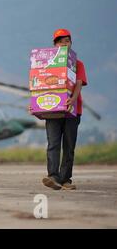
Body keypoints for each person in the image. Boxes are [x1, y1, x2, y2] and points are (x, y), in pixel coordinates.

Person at [33, 29, 87, 191]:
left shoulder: (78, 63)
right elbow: (41, 85)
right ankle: (53, 177)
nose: (64, 44)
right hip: (53, 110)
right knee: (53, 144)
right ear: (55, 45)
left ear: (71, 43)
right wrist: (36, 105)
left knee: (69, 146)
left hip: (73, 110)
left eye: (67, 41)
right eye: (60, 41)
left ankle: (66, 179)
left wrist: (72, 98)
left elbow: (78, 84)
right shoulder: (46, 63)